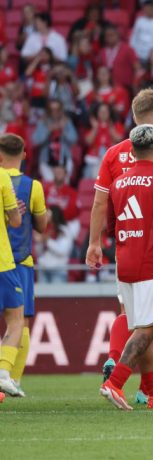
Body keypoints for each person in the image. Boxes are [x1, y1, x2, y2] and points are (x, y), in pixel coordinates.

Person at [86, 89, 153, 393]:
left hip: (125, 248)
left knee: (128, 314)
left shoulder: (112, 154)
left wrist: (95, 243)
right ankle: (142, 388)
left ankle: (125, 367)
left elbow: (99, 204)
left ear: (134, 117)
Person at [100, 124, 153, 411]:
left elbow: (111, 227)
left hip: (125, 261)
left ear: (132, 150)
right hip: (152, 261)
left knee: (141, 326)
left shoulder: (118, 182)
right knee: (149, 329)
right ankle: (115, 383)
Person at [1, 134, 47, 397]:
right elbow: (41, 227)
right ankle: (12, 380)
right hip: (17, 261)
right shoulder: (33, 187)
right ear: (25, 155)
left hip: (8, 260)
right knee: (21, 321)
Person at [0, 163, 22, 397]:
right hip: (2, 262)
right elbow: (15, 221)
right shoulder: (3, 176)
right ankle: (4, 374)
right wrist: (12, 213)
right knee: (16, 318)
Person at [32, 99, 78, 183]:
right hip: (47, 160)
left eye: (57, 109)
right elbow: (36, 141)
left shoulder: (67, 122)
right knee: (50, 186)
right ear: (48, 110)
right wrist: (48, 130)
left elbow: (74, 139)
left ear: (61, 110)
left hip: (64, 159)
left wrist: (63, 130)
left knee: (64, 185)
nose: (55, 112)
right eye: (52, 110)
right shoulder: (42, 122)